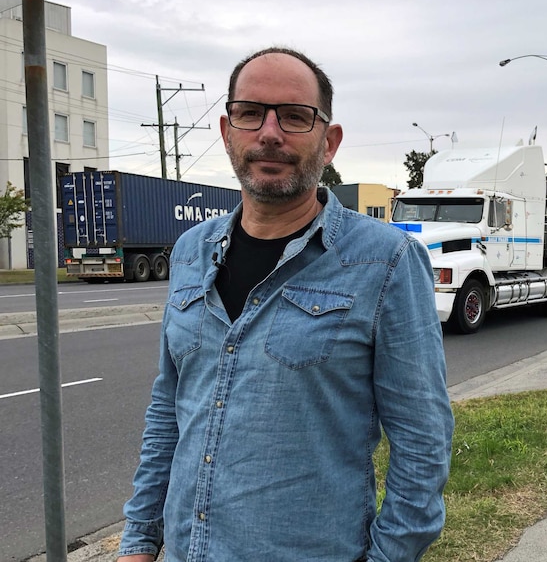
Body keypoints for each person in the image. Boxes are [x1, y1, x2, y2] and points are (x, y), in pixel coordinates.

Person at [117, 47, 454, 562]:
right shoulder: (190, 251)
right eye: (250, 113)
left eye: (295, 117)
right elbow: (169, 410)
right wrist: (140, 539)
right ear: (228, 132)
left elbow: (423, 443)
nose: (269, 133)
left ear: (329, 141)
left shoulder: (387, 262)